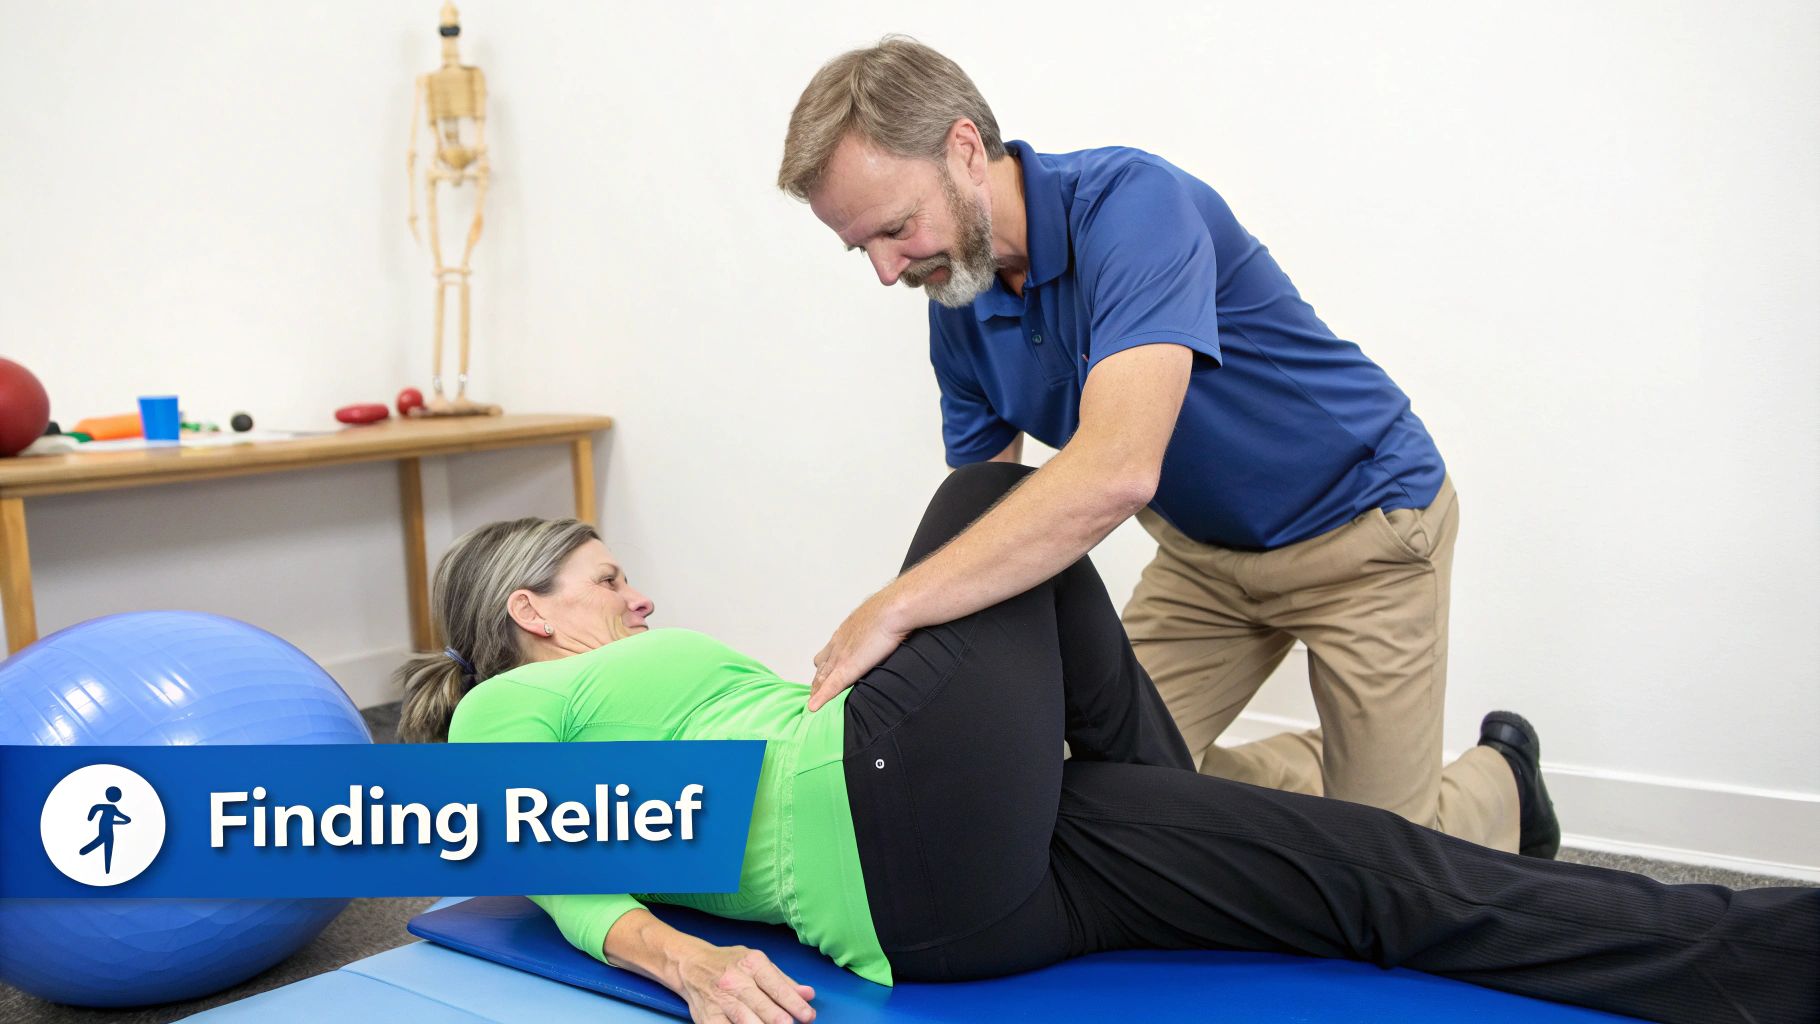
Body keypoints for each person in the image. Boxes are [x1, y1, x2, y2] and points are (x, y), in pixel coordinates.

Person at [396, 465, 1816, 1024]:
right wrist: (688, 963)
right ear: (532, 611)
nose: (638, 597)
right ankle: (1158, 789)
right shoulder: (506, 705)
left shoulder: (625, 685)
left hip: (983, 894)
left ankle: (1763, 955)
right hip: (882, 828)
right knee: (990, 500)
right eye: (609, 581)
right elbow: (545, 848)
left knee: (1378, 873)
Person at [776, 37, 1540, 854]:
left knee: (1391, 867)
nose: (886, 271)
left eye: (896, 228)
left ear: (965, 150)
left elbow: (1117, 469)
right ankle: (1337, 789)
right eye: (862, 247)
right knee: (1120, 791)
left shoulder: (1134, 207)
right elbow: (984, 517)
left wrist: (892, 606)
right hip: (1204, 562)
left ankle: (1503, 782)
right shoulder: (958, 307)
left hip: (1365, 531)